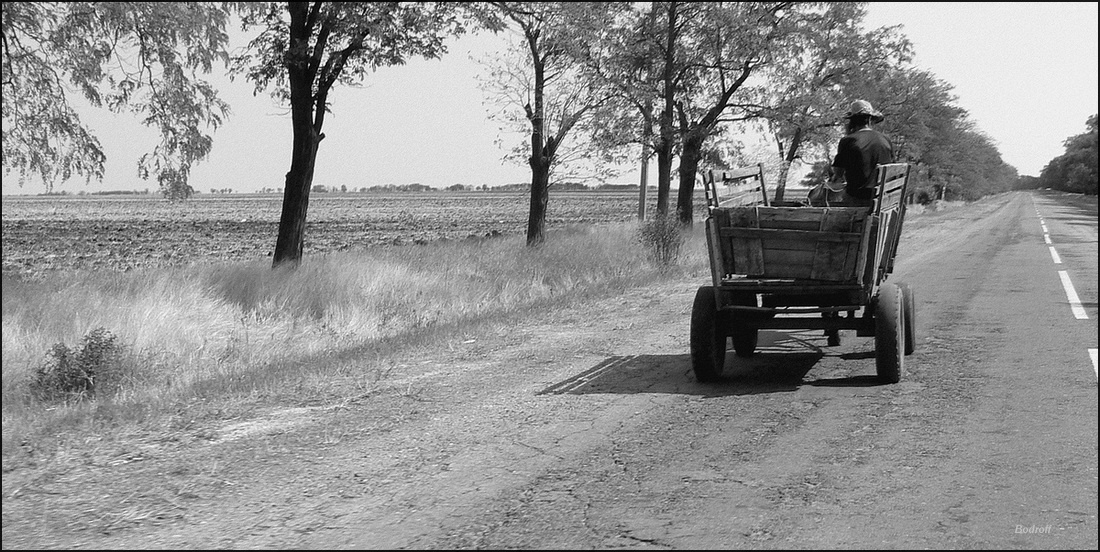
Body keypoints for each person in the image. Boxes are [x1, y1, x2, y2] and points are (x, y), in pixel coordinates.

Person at [812, 99, 894, 207]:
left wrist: (847, 135)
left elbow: (838, 174)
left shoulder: (849, 140)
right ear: (870, 120)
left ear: (852, 121)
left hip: (858, 198)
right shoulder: (886, 139)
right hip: (883, 198)